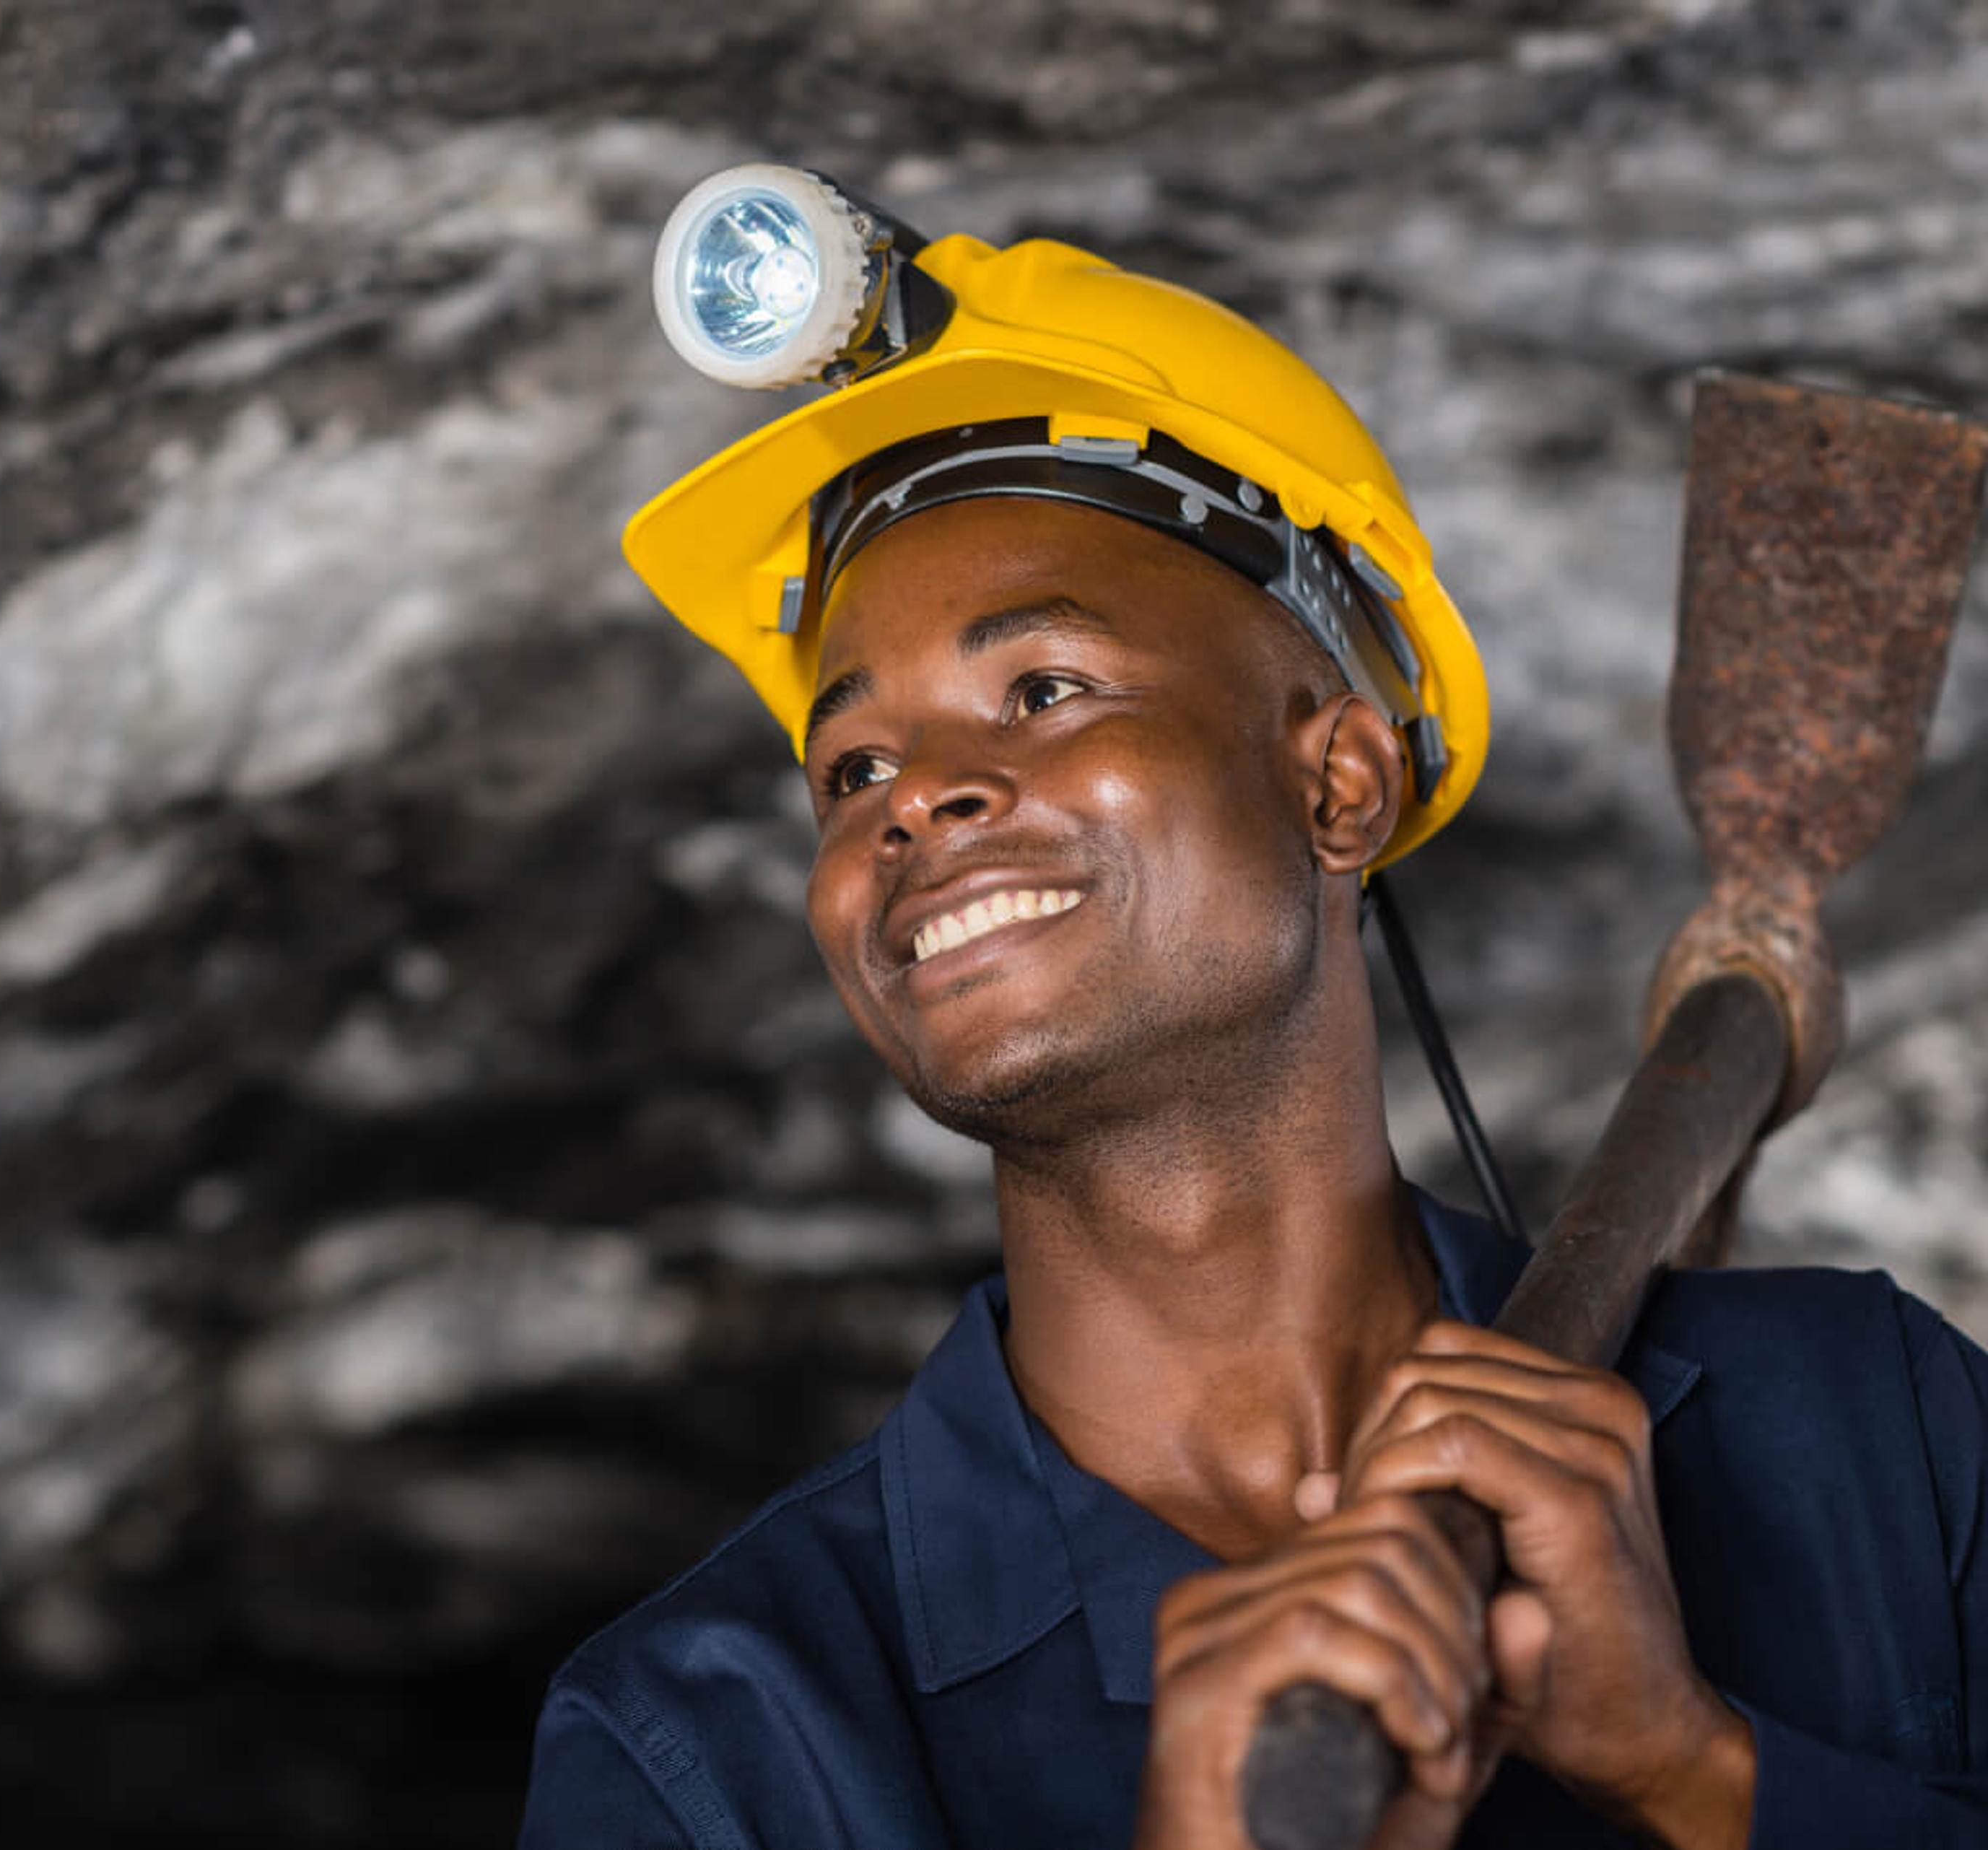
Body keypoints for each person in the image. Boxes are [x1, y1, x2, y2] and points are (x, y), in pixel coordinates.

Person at [515, 169, 1988, 1849]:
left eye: (1043, 689)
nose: (911, 803)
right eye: (851, 766)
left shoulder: (1876, 1424)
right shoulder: (716, 1737)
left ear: (1340, 780)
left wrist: (1694, 1771)